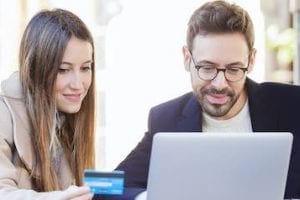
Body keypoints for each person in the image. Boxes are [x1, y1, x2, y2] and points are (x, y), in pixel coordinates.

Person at [116, 0, 300, 198]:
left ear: (252, 60)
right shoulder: (166, 119)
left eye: (233, 69)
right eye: (207, 68)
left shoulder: (292, 105)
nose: (220, 84)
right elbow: (112, 187)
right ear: (187, 58)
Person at [0, 9, 96, 199]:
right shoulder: (4, 113)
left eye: (85, 68)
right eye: (63, 70)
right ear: (36, 68)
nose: (78, 85)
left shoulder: (66, 116)